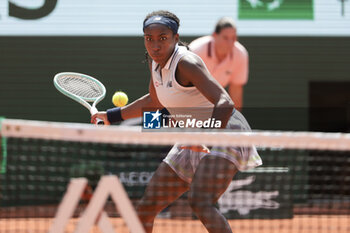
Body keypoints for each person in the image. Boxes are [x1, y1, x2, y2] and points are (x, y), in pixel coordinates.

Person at [91, 10, 262, 233]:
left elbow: (225, 102)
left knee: (200, 201)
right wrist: (111, 116)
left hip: (224, 129)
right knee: (146, 207)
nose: (155, 45)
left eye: (162, 38)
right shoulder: (155, 64)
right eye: (149, 38)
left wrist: (206, 139)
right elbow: (154, 101)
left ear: (175, 37)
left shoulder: (187, 63)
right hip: (194, 132)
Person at [189, 17, 248, 111]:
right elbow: (185, 85)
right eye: (225, 38)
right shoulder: (196, 50)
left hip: (215, 100)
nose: (230, 43)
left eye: (233, 38)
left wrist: (236, 119)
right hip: (189, 96)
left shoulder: (240, 54)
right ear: (214, 35)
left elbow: (236, 90)